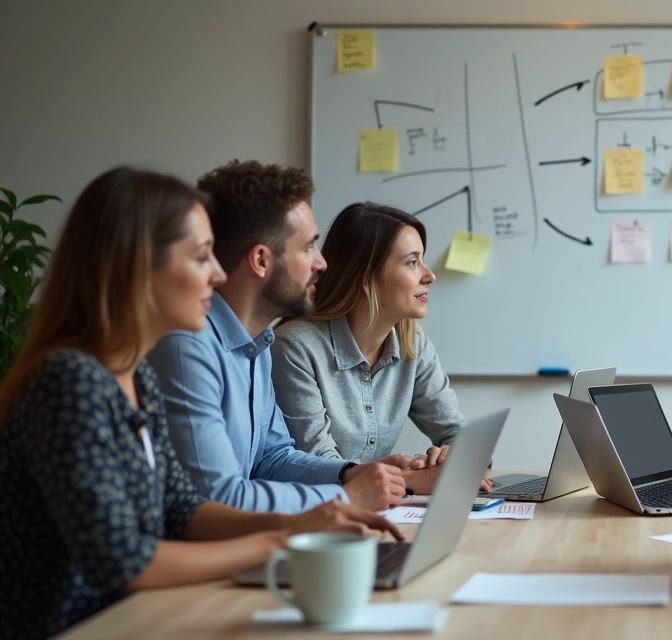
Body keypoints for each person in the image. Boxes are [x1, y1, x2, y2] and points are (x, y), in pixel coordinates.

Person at [0, 168, 401, 640]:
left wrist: (308, 519)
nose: (218, 273)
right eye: (200, 256)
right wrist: (280, 537)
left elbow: (182, 508)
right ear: (139, 270)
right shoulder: (69, 382)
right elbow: (122, 560)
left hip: (135, 618)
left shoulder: (136, 378)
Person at [146, 160, 424, 512]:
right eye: (308, 247)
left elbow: (273, 458)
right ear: (261, 260)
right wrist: (347, 497)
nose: (322, 263)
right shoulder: (187, 346)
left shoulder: (259, 343)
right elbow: (218, 498)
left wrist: (350, 473)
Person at [271, 202, 487, 492]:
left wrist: (451, 456)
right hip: (316, 512)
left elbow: (458, 434)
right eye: (412, 262)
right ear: (366, 273)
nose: (429, 275)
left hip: (377, 509)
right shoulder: (295, 348)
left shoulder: (413, 344)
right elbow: (318, 467)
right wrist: (411, 480)